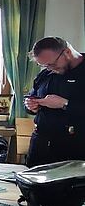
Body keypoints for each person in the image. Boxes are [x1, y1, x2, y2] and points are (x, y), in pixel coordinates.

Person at [23, 36, 84, 166]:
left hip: (75, 148)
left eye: (52, 64)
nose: (49, 69)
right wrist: (31, 106)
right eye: (44, 66)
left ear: (67, 52)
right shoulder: (45, 74)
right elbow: (32, 97)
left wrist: (65, 104)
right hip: (40, 146)